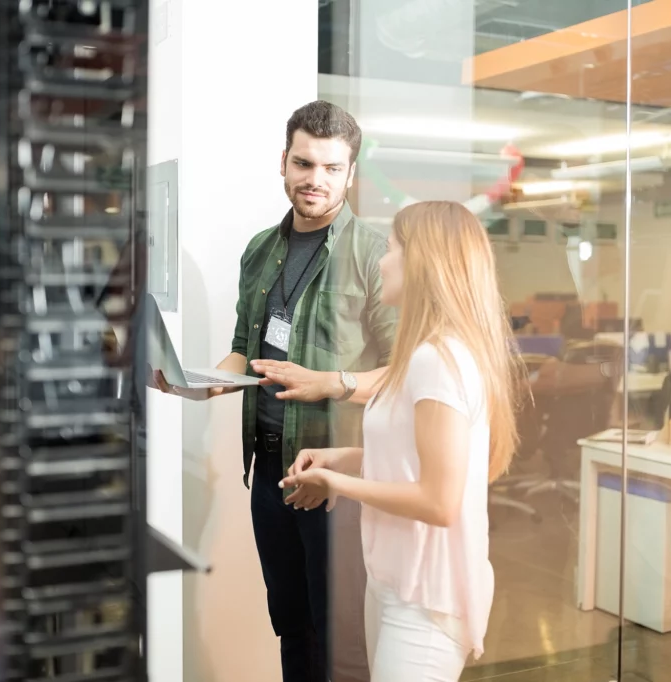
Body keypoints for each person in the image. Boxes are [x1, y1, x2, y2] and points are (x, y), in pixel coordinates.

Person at [153, 100, 396, 682]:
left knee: (342, 636)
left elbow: (403, 368)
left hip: (337, 475)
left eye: (332, 168)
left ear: (350, 174)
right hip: (269, 469)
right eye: (304, 163)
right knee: (291, 622)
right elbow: (245, 347)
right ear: (283, 162)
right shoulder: (260, 249)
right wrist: (202, 385)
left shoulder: (374, 255)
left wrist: (333, 384)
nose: (316, 179)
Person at [279, 201, 524, 682]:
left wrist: (338, 483)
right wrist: (343, 460)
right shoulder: (423, 356)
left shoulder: (440, 360)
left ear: (422, 263)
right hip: (393, 583)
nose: (381, 261)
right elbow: (413, 459)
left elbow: (438, 500)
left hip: (426, 600)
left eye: (390, 249)